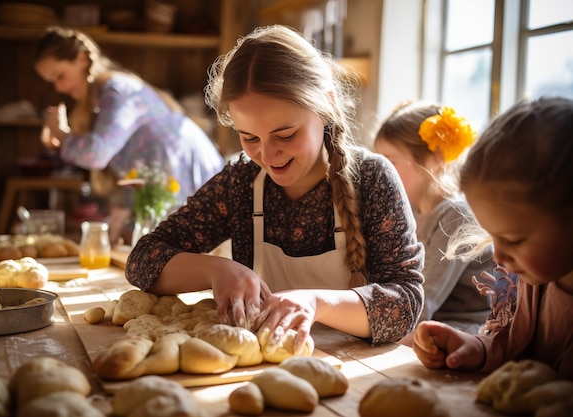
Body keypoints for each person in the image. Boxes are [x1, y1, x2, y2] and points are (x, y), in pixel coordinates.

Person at [126, 25, 425, 353]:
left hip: (355, 374)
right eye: (249, 138)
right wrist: (215, 269)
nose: (267, 156)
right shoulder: (241, 182)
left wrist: (315, 303)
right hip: (256, 369)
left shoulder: (371, 179)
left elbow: (405, 305)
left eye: (285, 135)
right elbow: (143, 260)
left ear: (324, 108)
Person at [412, 96, 573, 380]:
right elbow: (514, 346)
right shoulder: (534, 280)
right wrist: (476, 348)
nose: (499, 256)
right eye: (493, 237)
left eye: (514, 240)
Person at [33, 26, 224, 243]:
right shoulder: (103, 98)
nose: (59, 88)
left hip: (190, 179)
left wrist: (62, 134)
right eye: (53, 81)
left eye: (60, 76)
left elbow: (97, 153)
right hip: (170, 184)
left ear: (82, 60)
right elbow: (129, 167)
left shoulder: (117, 90)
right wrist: (117, 221)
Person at [373, 102, 495, 345]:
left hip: (465, 332)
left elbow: (422, 303)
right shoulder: (411, 212)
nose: (381, 172)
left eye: (390, 161)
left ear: (435, 159)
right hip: (422, 323)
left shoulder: (456, 214)